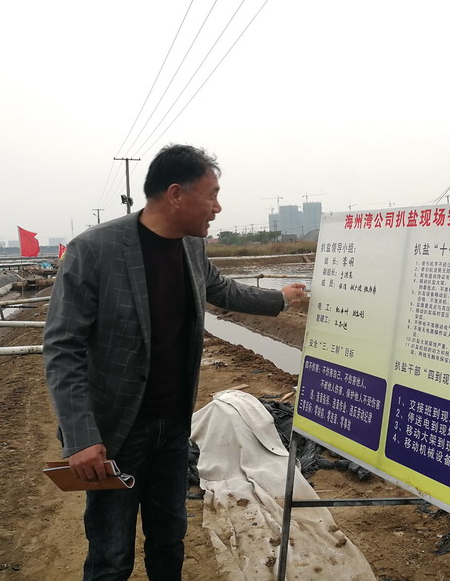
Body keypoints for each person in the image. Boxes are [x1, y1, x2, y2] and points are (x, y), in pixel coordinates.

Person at [43, 144, 307, 580]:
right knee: (111, 555)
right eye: (212, 194)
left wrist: (278, 298)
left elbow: (220, 289)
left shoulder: (191, 247)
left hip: (174, 425)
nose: (218, 208)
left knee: (169, 539)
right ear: (176, 194)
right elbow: (63, 347)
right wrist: (81, 436)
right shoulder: (94, 249)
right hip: (116, 431)